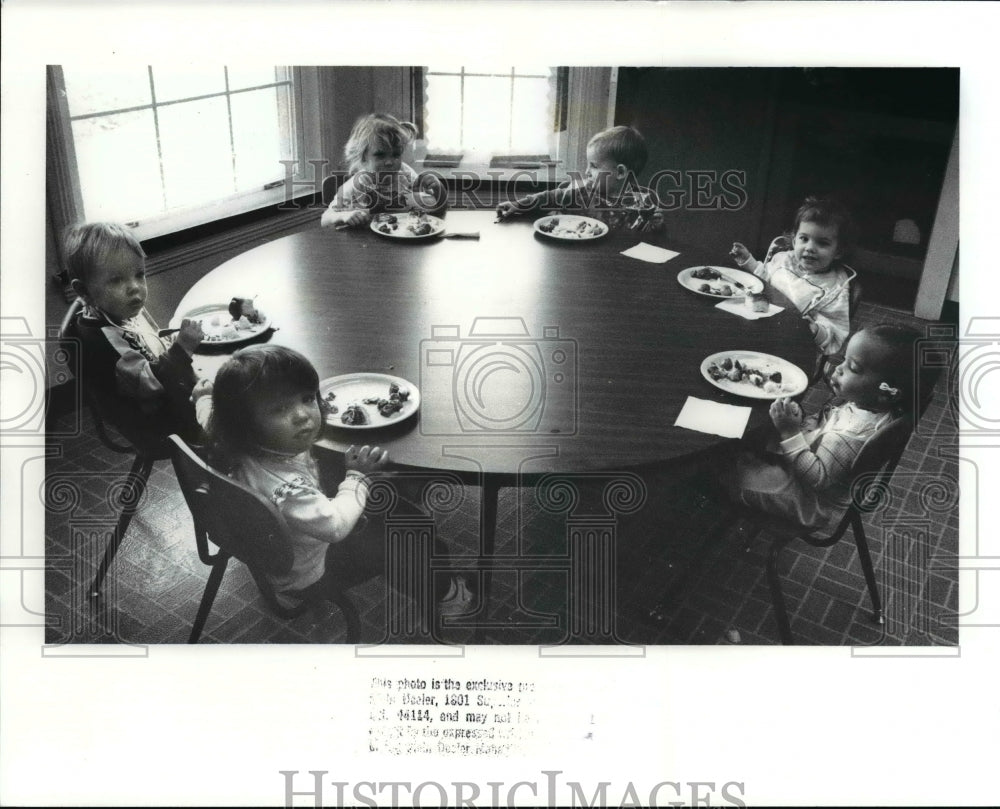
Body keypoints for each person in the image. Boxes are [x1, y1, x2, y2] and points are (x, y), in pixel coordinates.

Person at [205, 344, 388, 604]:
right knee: (407, 537)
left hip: (285, 546)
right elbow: (335, 526)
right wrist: (358, 477)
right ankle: (446, 594)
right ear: (244, 423)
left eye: (307, 398)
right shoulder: (289, 490)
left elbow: (207, 417)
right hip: (311, 571)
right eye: (279, 409)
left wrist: (202, 396)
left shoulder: (233, 441)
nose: (303, 416)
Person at [723, 325, 920, 531]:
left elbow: (816, 477)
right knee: (757, 438)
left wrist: (790, 432)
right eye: (844, 360)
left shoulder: (849, 437)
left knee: (734, 470)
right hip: (814, 463)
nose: (838, 368)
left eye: (853, 368)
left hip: (810, 501)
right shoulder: (871, 404)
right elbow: (826, 426)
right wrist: (802, 424)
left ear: (886, 392)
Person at [64, 221, 211, 442]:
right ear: (84, 290)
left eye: (138, 274)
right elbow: (149, 384)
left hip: (172, 392)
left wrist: (174, 340)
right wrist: (183, 348)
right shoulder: (102, 339)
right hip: (161, 423)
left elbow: (150, 342)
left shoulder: (120, 307)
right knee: (234, 408)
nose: (135, 287)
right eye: (116, 280)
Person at [730, 196, 856, 356]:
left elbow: (835, 331)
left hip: (789, 343)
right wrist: (748, 261)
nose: (810, 248)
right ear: (795, 239)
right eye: (804, 239)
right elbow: (765, 280)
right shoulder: (785, 260)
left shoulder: (835, 288)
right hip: (756, 322)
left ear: (838, 251)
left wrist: (815, 330)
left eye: (822, 243)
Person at [495, 125, 664, 232]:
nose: (587, 171)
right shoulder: (580, 191)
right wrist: (518, 204)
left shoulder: (643, 202)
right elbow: (548, 197)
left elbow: (648, 237)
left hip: (616, 267)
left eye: (594, 166)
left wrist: (657, 225)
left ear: (620, 172)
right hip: (577, 261)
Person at [320, 113, 446, 228]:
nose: (390, 162)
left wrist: (438, 189)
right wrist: (343, 216)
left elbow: (438, 210)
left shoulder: (406, 175)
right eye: (380, 155)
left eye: (396, 155)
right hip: (366, 246)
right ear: (363, 158)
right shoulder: (356, 186)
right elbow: (324, 220)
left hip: (403, 240)